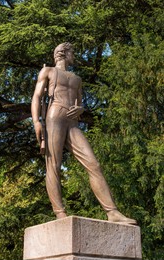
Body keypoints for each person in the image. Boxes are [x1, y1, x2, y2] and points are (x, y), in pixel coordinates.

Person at [31, 42, 137, 224]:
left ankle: (112, 212)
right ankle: (60, 213)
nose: (74, 56)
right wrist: (35, 122)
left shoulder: (76, 78)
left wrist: (80, 109)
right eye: (72, 52)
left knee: (93, 164)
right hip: (54, 115)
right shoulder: (48, 71)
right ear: (63, 53)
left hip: (72, 122)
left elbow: (79, 103)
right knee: (54, 165)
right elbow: (37, 97)